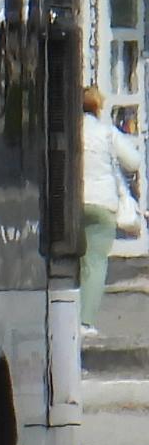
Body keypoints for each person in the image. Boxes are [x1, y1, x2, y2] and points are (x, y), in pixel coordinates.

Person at [80, 86, 141, 339]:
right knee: (95, 262)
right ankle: (85, 322)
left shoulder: (70, 131)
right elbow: (134, 161)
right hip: (103, 204)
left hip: (71, 203)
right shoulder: (106, 133)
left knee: (75, 261)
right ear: (98, 107)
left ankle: (66, 313)